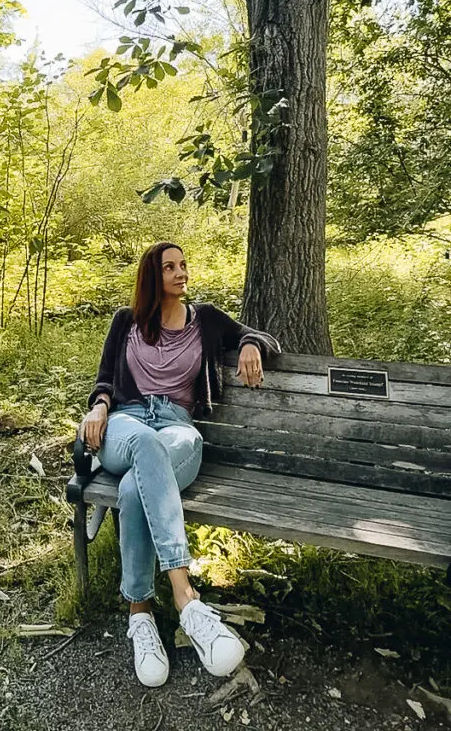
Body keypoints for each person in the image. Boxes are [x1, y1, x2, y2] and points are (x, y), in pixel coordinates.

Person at [79, 241, 281, 688]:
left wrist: (248, 343)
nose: (180, 272)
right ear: (153, 275)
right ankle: (186, 598)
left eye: (183, 265)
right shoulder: (125, 321)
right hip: (125, 425)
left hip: (178, 429)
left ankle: (141, 615)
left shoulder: (205, 319)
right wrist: (98, 408)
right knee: (143, 446)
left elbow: (264, 336)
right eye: (169, 267)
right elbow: (105, 379)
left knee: (135, 487)